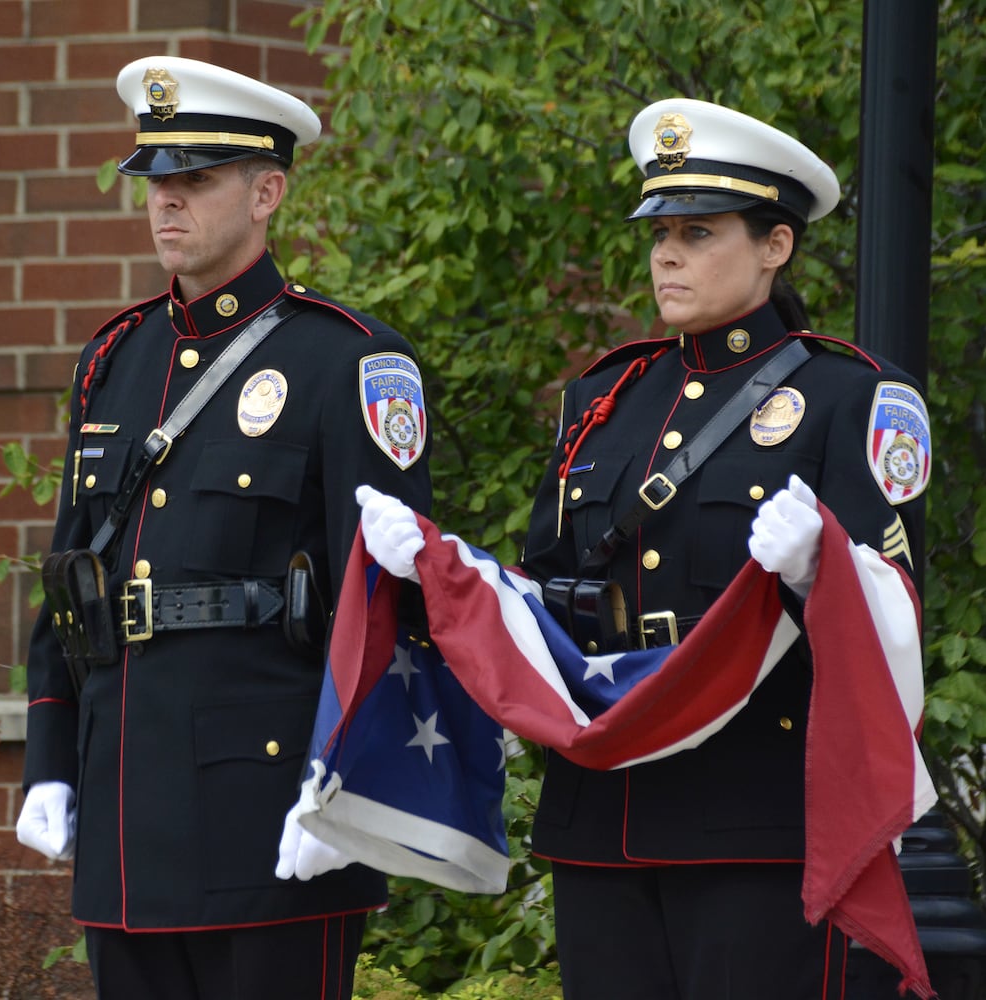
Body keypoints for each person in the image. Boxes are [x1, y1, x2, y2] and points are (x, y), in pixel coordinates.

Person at [357, 98, 930, 999]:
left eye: (698, 232)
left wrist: (826, 567)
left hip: (752, 815)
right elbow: (544, 589)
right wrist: (444, 573)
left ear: (774, 244)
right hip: (605, 809)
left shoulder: (849, 398)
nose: (665, 253)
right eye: (660, 230)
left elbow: (893, 610)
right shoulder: (605, 397)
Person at [14, 55, 433, 1000]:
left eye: (195, 181)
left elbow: (384, 598)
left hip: (269, 802)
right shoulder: (115, 359)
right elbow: (71, 579)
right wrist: (50, 759)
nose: (167, 203)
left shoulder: (347, 362)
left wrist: (346, 785)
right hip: (125, 801)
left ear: (266, 192)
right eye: (156, 182)